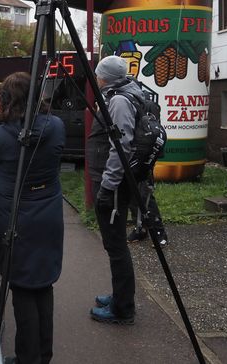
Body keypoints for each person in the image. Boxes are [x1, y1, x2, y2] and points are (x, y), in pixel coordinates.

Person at [0, 72, 65, 364]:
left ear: (6, 101)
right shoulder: (56, 126)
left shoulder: (1, 135)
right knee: (43, 283)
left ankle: (28, 357)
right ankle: (43, 354)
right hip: (49, 212)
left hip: (15, 215)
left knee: (22, 286)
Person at [87, 55, 143, 325]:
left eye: (98, 73)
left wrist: (108, 187)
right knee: (115, 244)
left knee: (116, 245)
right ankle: (120, 296)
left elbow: (121, 146)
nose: (96, 77)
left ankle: (123, 309)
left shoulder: (119, 101)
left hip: (114, 185)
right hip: (116, 183)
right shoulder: (125, 93)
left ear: (105, 77)